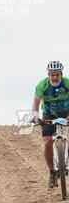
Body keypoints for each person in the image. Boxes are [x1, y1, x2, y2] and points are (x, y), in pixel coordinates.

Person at [32, 60, 69, 189]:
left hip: (65, 111)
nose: (54, 77)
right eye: (52, 75)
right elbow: (36, 102)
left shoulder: (67, 83)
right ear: (48, 75)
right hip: (49, 113)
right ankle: (52, 173)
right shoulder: (43, 85)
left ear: (61, 74)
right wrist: (35, 116)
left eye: (56, 75)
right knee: (47, 141)